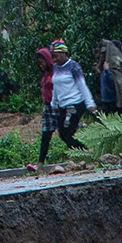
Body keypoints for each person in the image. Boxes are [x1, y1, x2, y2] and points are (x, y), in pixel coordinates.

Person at [31, 41, 95, 172]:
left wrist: (90, 104)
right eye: (53, 56)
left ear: (63, 53)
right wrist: (54, 103)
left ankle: (87, 154)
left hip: (75, 103)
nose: (54, 59)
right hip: (62, 105)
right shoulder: (56, 68)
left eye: (56, 56)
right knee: (63, 135)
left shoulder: (73, 67)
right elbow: (55, 87)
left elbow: (82, 86)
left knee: (67, 132)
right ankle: (85, 154)